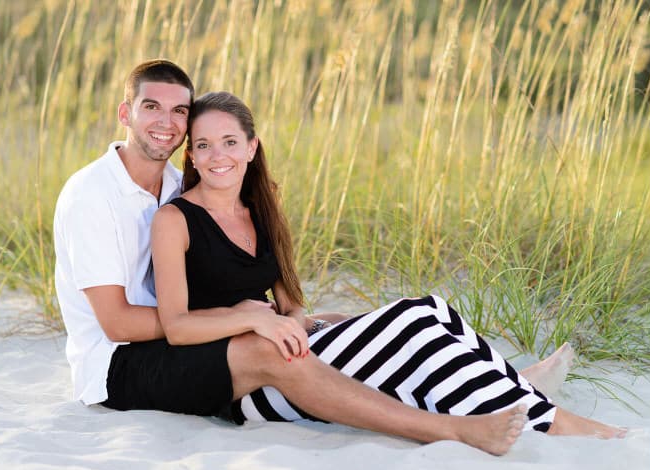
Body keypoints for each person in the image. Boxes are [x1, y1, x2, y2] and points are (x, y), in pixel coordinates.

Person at [150, 89, 624, 437]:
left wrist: (291, 323)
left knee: (430, 309)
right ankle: (563, 423)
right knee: (414, 327)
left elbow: (293, 306)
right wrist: (256, 322)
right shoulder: (176, 220)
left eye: (230, 142)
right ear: (191, 153)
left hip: (290, 350)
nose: (218, 156)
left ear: (252, 148)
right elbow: (176, 327)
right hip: (251, 384)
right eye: (205, 145)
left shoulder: (261, 210)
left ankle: (516, 387)